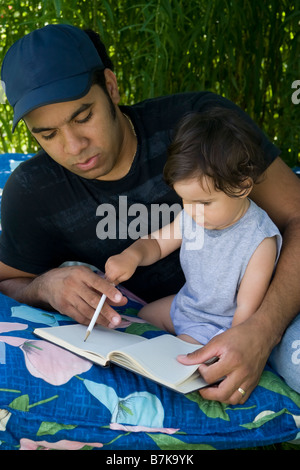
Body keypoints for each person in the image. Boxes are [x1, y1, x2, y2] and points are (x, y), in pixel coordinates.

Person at [0, 24, 299, 403]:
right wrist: (44, 287)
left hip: (269, 297)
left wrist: (262, 330)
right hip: (175, 313)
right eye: (47, 134)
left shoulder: (202, 127)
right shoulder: (31, 191)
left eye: (83, 117)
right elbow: (10, 280)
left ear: (110, 87)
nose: (74, 146)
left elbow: (297, 216)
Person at [105, 109, 282, 348]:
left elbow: (246, 309)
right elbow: (156, 244)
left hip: (219, 325)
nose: (192, 210)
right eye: (184, 200)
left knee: (178, 354)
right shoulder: (194, 214)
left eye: (204, 202)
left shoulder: (260, 240)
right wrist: (130, 256)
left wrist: (232, 346)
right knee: (142, 317)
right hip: (186, 305)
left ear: (242, 186)